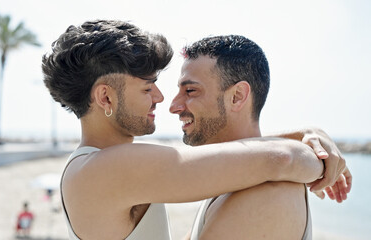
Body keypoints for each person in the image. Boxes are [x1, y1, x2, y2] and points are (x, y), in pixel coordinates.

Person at [42, 20, 348, 240]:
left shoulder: (99, 166)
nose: (163, 100)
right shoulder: (109, 169)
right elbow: (281, 160)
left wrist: (304, 137)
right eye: (148, 88)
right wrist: (317, 157)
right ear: (106, 97)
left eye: (189, 90)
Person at [170, 35, 352, 239]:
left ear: (237, 96)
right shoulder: (239, 174)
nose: (173, 106)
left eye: (190, 91)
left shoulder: (265, 194)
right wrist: (302, 134)